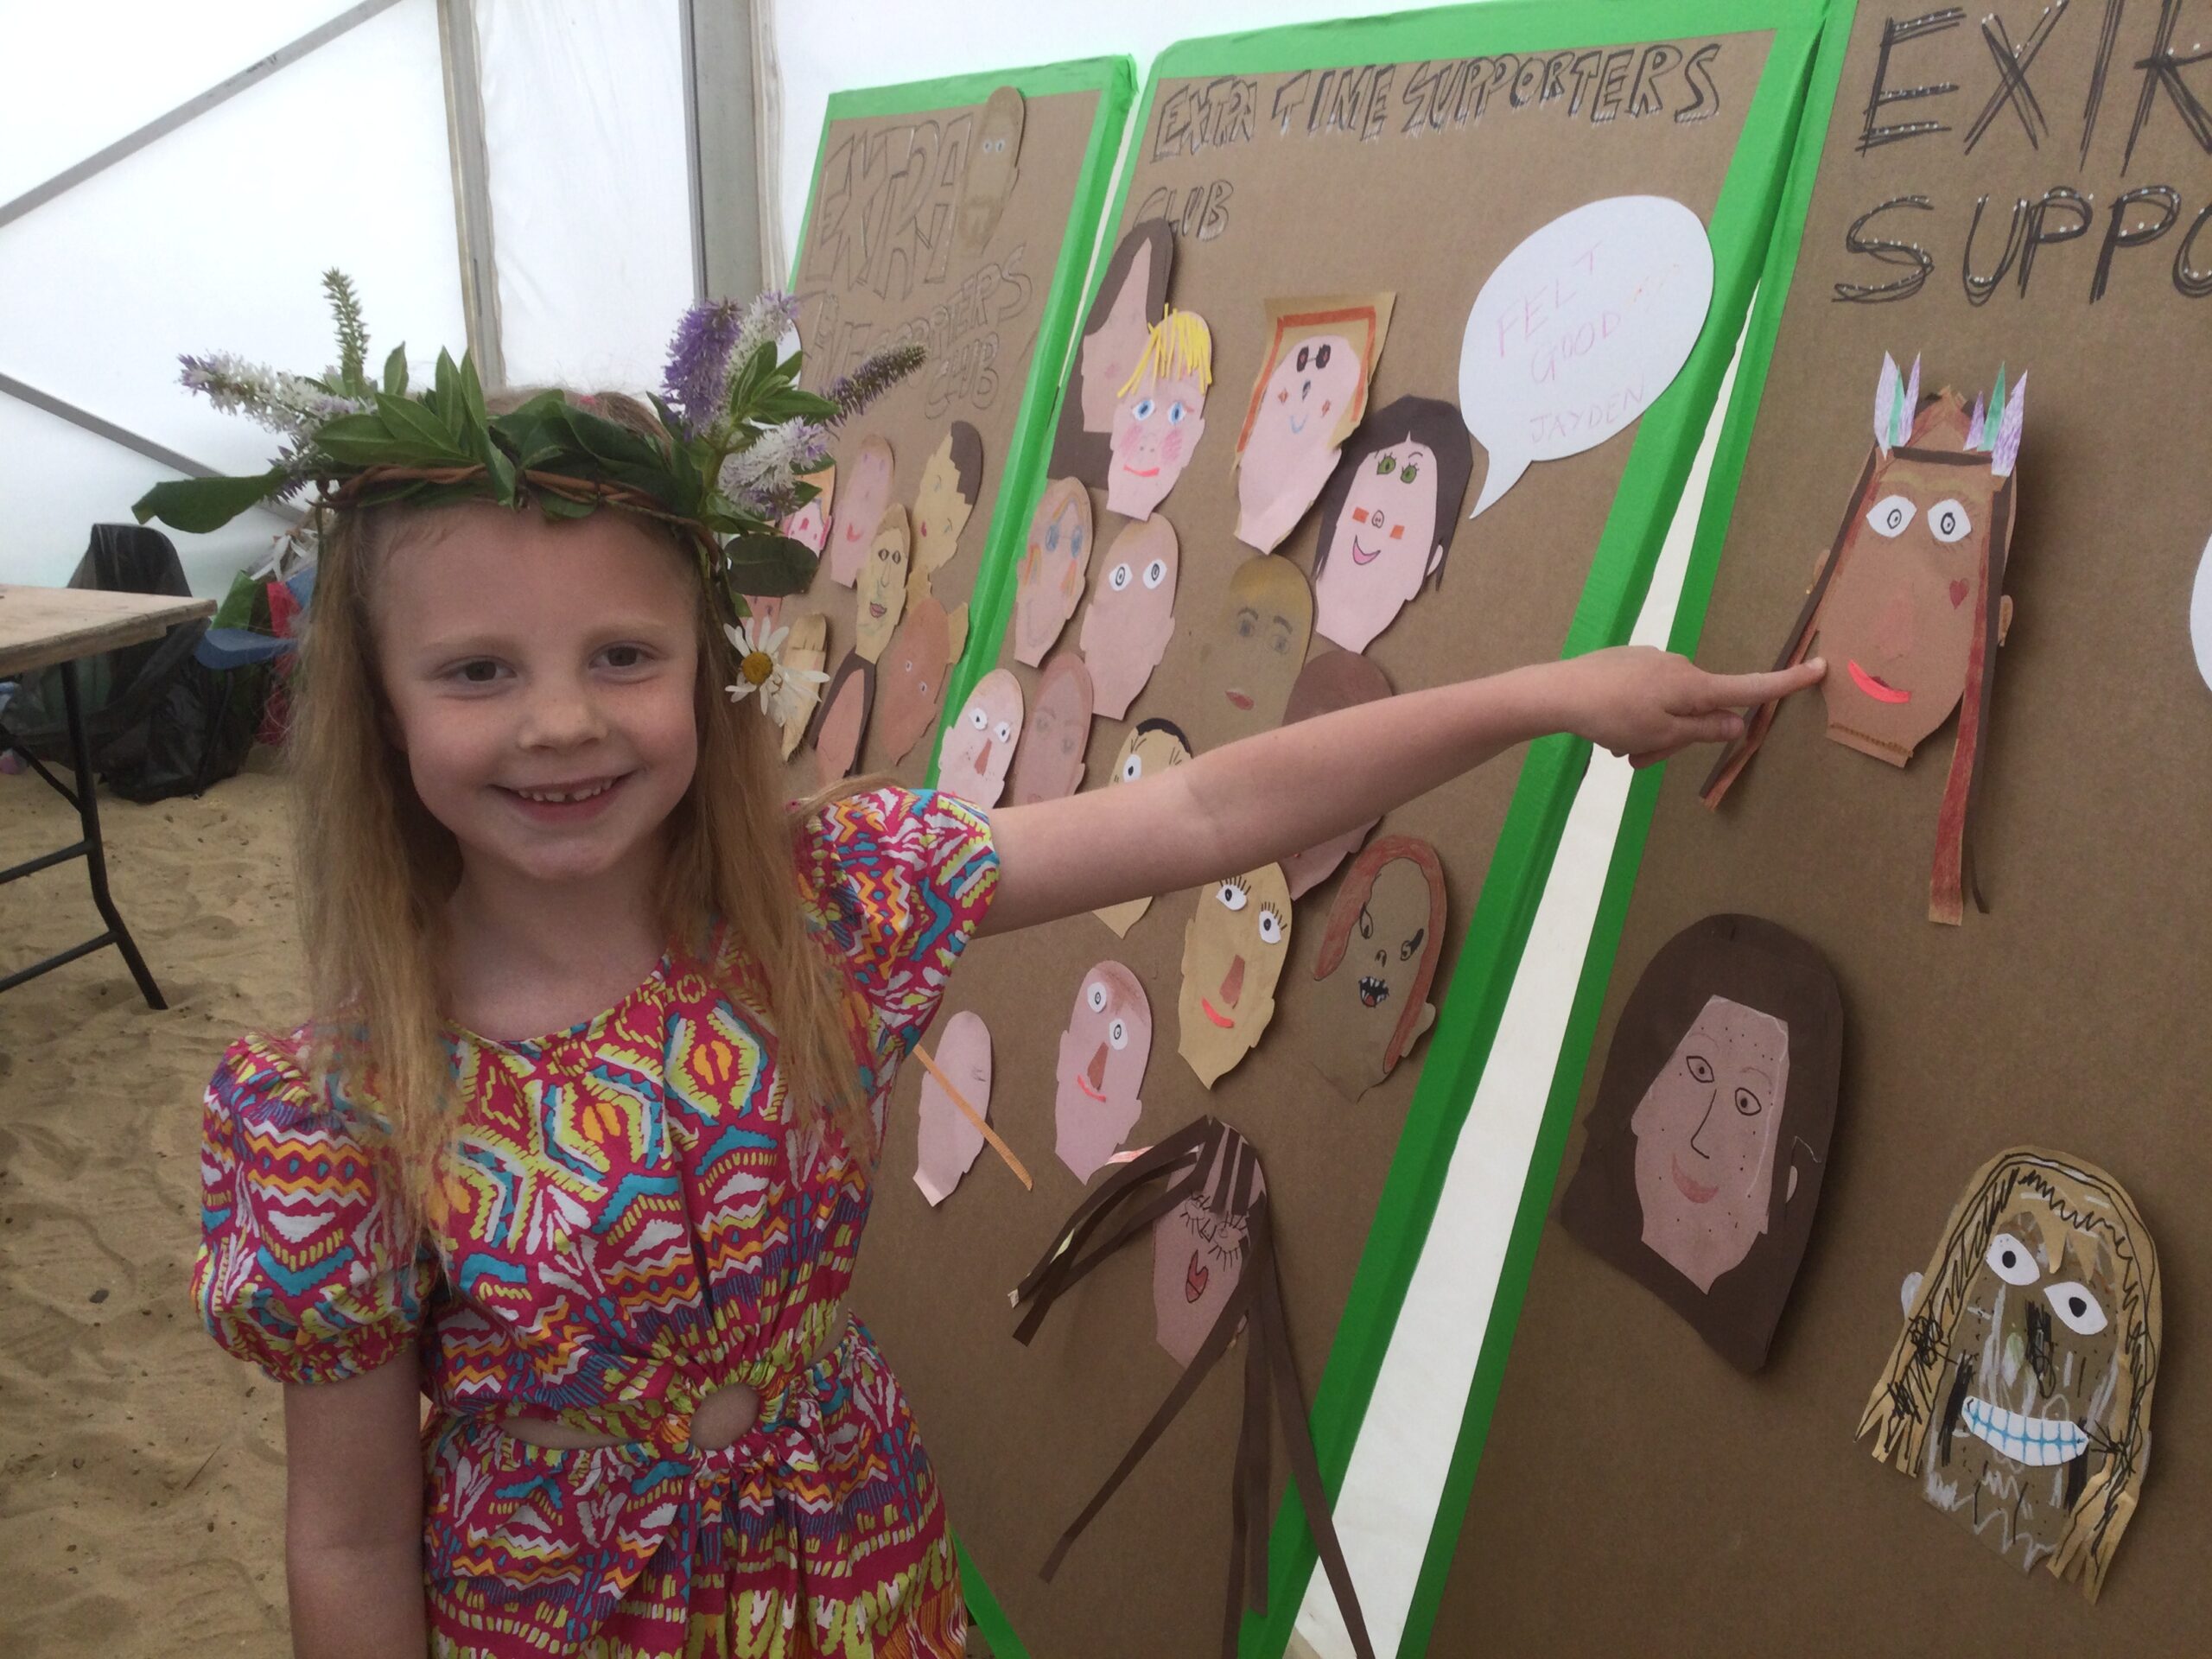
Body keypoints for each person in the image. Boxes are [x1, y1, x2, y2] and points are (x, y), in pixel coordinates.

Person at [157, 283, 1823, 1659]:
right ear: (379, 706)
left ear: (706, 671)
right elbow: (353, 1536)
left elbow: (1203, 803)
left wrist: (1544, 694)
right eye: (476, 670)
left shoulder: (828, 910)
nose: (562, 721)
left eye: (621, 655)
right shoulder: (340, 1107)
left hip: (865, 1574)